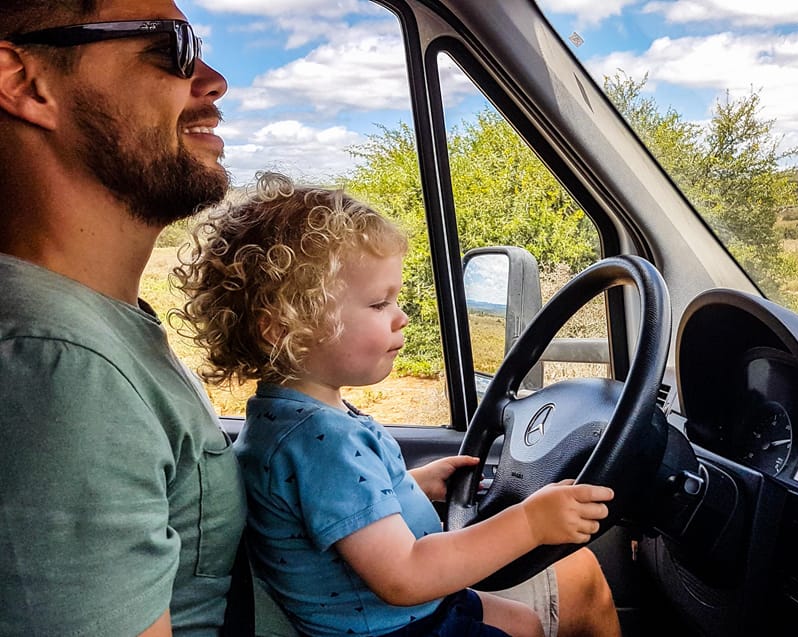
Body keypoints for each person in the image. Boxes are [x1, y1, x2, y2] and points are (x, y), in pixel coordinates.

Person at [171, 172, 620, 637]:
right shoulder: (320, 443)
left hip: (397, 615)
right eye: (378, 304)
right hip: (398, 626)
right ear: (282, 329)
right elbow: (404, 575)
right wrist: (530, 522)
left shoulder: (285, 418)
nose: (401, 316)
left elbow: (335, 507)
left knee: (524, 623)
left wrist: (411, 484)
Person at [0, 1, 243, 636]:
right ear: (25, 83)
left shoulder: (98, 324)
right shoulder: (59, 363)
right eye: (173, 47)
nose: (212, 79)